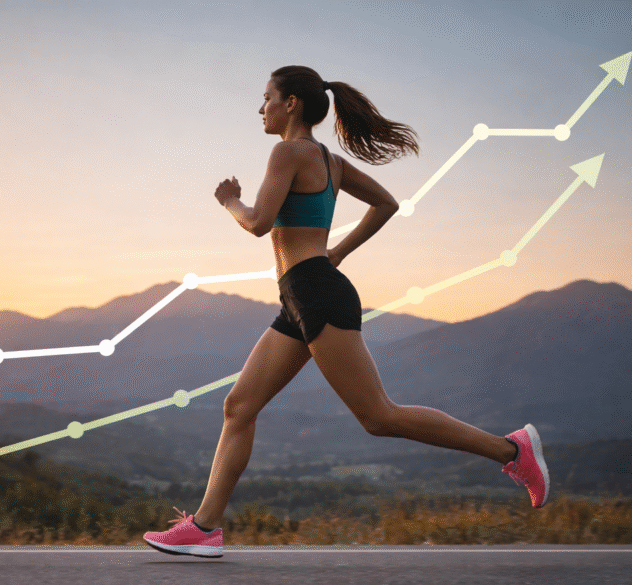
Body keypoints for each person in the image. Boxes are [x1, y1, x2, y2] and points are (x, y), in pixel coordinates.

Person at [143, 66, 549, 558]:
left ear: (291, 103)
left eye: (266, 97)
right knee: (239, 406)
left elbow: (258, 222)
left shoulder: (288, 152)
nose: (261, 107)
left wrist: (230, 200)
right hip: (302, 296)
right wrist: (335, 252)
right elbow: (385, 203)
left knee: (378, 416)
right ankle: (205, 528)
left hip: (316, 294)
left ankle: (512, 451)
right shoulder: (329, 162)